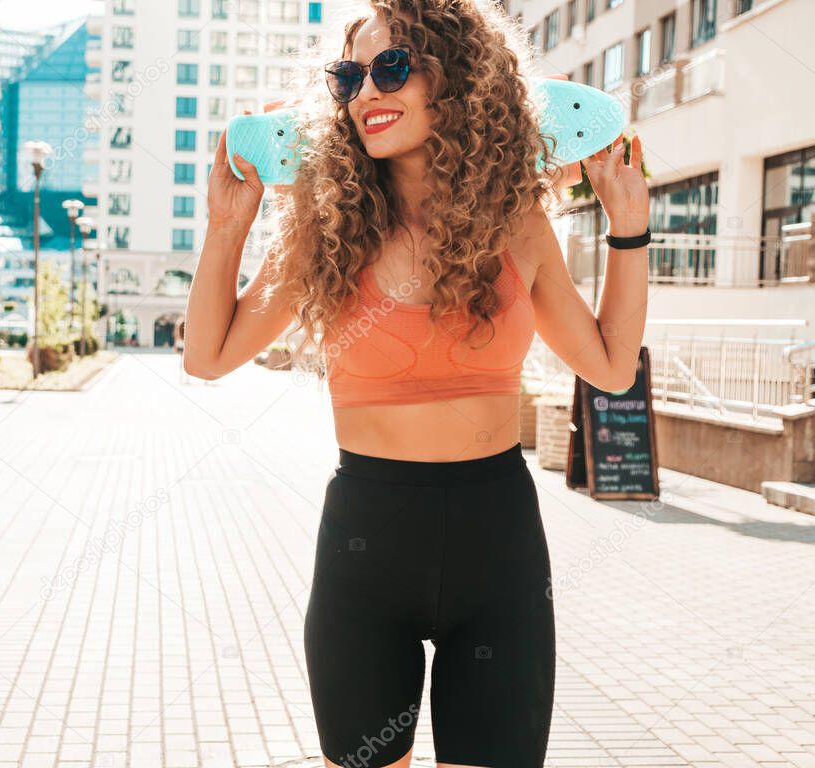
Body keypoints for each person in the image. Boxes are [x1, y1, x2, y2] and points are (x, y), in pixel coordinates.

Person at [183, 2, 649, 766]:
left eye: (392, 67)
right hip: (366, 549)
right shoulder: (325, 225)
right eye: (348, 77)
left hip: (495, 546)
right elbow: (208, 356)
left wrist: (629, 230)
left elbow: (609, 366)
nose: (368, 91)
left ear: (457, 77)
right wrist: (229, 225)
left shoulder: (517, 223)